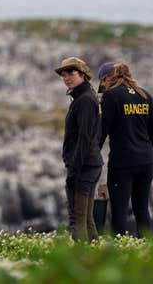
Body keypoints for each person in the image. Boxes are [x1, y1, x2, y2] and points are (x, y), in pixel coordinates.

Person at [97, 61, 153, 237]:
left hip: (123, 162)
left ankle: (120, 251)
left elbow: (102, 131)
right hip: (146, 161)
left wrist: (92, 156)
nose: (102, 86)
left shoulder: (111, 96)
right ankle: (147, 249)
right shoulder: (145, 95)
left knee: (120, 210)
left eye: (102, 82)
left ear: (108, 78)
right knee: (142, 209)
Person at [55, 57, 103, 241]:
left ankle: (82, 260)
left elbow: (84, 137)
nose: (66, 78)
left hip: (84, 165)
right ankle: (95, 256)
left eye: (71, 73)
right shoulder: (85, 97)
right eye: (63, 74)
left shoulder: (84, 100)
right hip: (90, 163)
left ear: (82, 75)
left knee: (78, 218)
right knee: (87, 218)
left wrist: (75, 167)